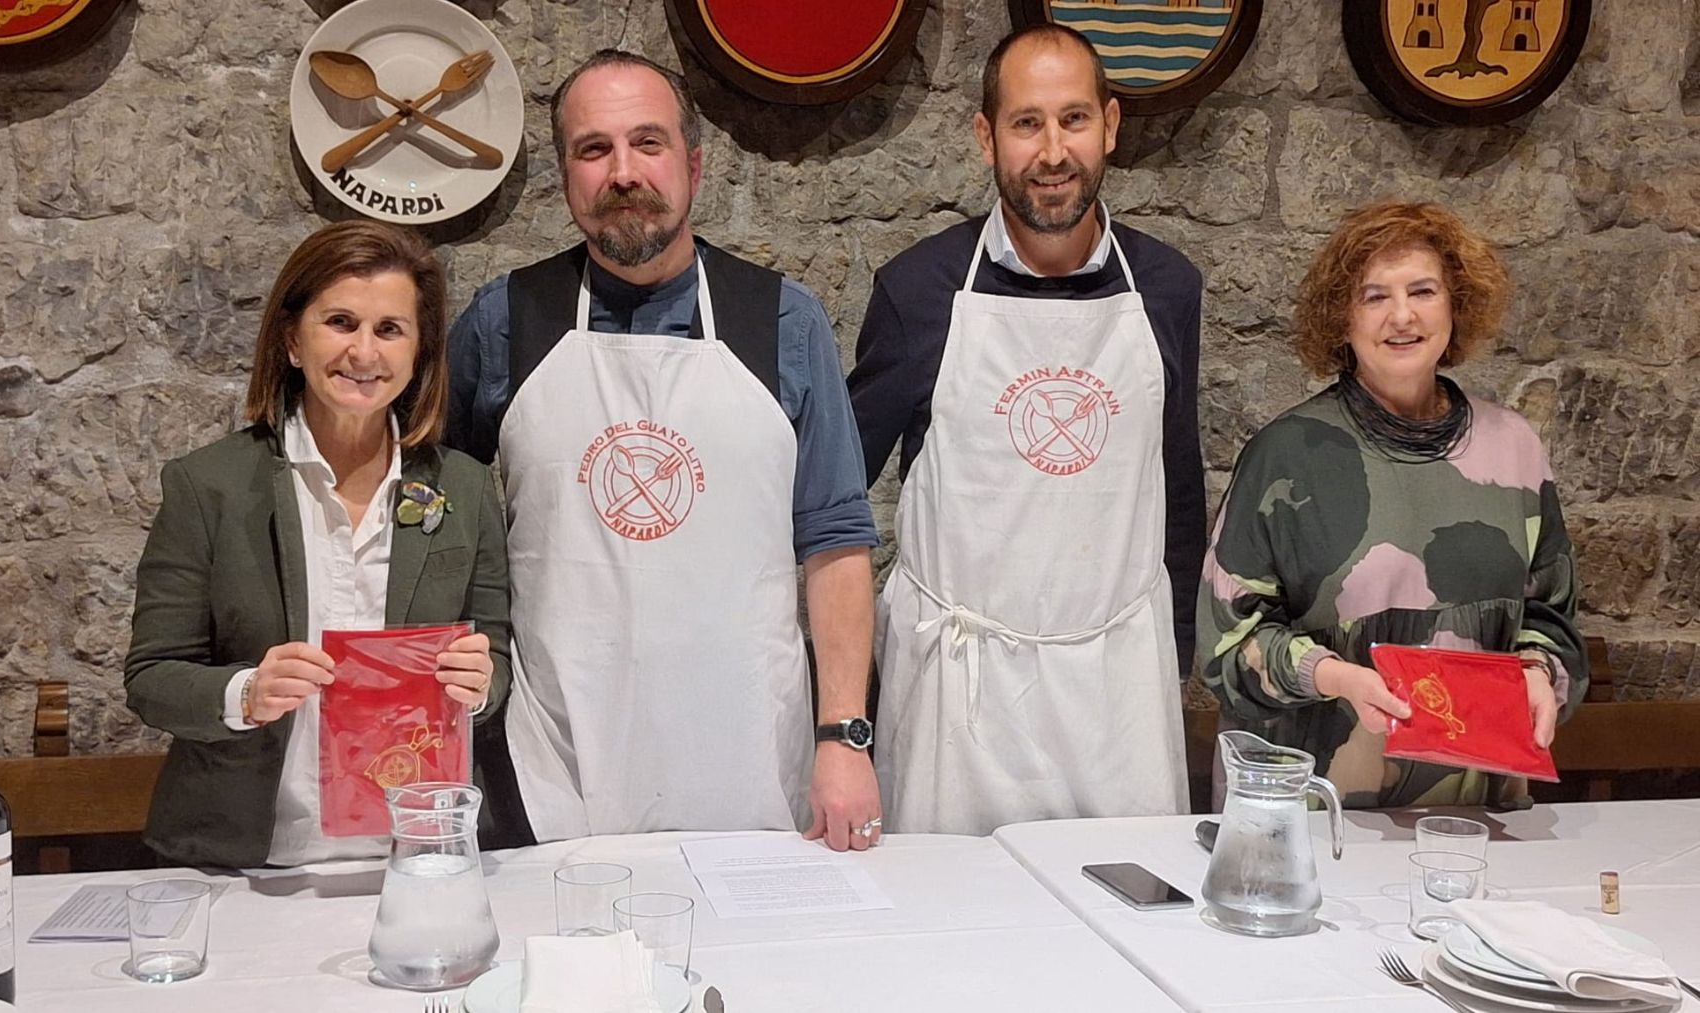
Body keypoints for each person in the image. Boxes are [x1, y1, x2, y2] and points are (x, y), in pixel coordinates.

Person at [445, 50, 883, 851]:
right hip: (553, 758)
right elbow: (441, 536)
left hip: (752, 752)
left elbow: (835, 542)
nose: (622, 171)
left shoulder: (785, 322)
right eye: (593, 148)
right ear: (566, 175)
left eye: (647, 142)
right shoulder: (502, 323)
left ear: (693, 163)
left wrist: (843, 739)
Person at [847, 24, 1203, 835]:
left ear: (1110, 126)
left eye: (1073, 120)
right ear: (986, 137)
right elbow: (836, 493)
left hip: (1117, 689)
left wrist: (1172, 658)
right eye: (1026, 122)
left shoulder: (1168, 289)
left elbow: (1177, 483)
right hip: (957, 694)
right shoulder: (917, 292)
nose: (1053, 151)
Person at [124, 221, 511, 868]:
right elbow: (152, 678)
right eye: (340, 322)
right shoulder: (207, 487)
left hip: (417, 856)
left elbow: (494, 658)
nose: (364, 352)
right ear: (292, 340)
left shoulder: (466, 489)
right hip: (250, 858)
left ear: (418, 350)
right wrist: (244, 693)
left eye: (390, 329)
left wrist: (483, 679)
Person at [1199, 200, 1586, 808]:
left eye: (1423, 291)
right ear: (1342, 321)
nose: (1402, 316)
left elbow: (1550, 619)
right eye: (1374, 296)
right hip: (1318, 814)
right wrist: (1337, 677)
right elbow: (1226, 647)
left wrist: (1540, 674)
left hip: (1475, 814)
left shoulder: (1514, 449)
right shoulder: (1286, 456)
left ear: (1456, 306)